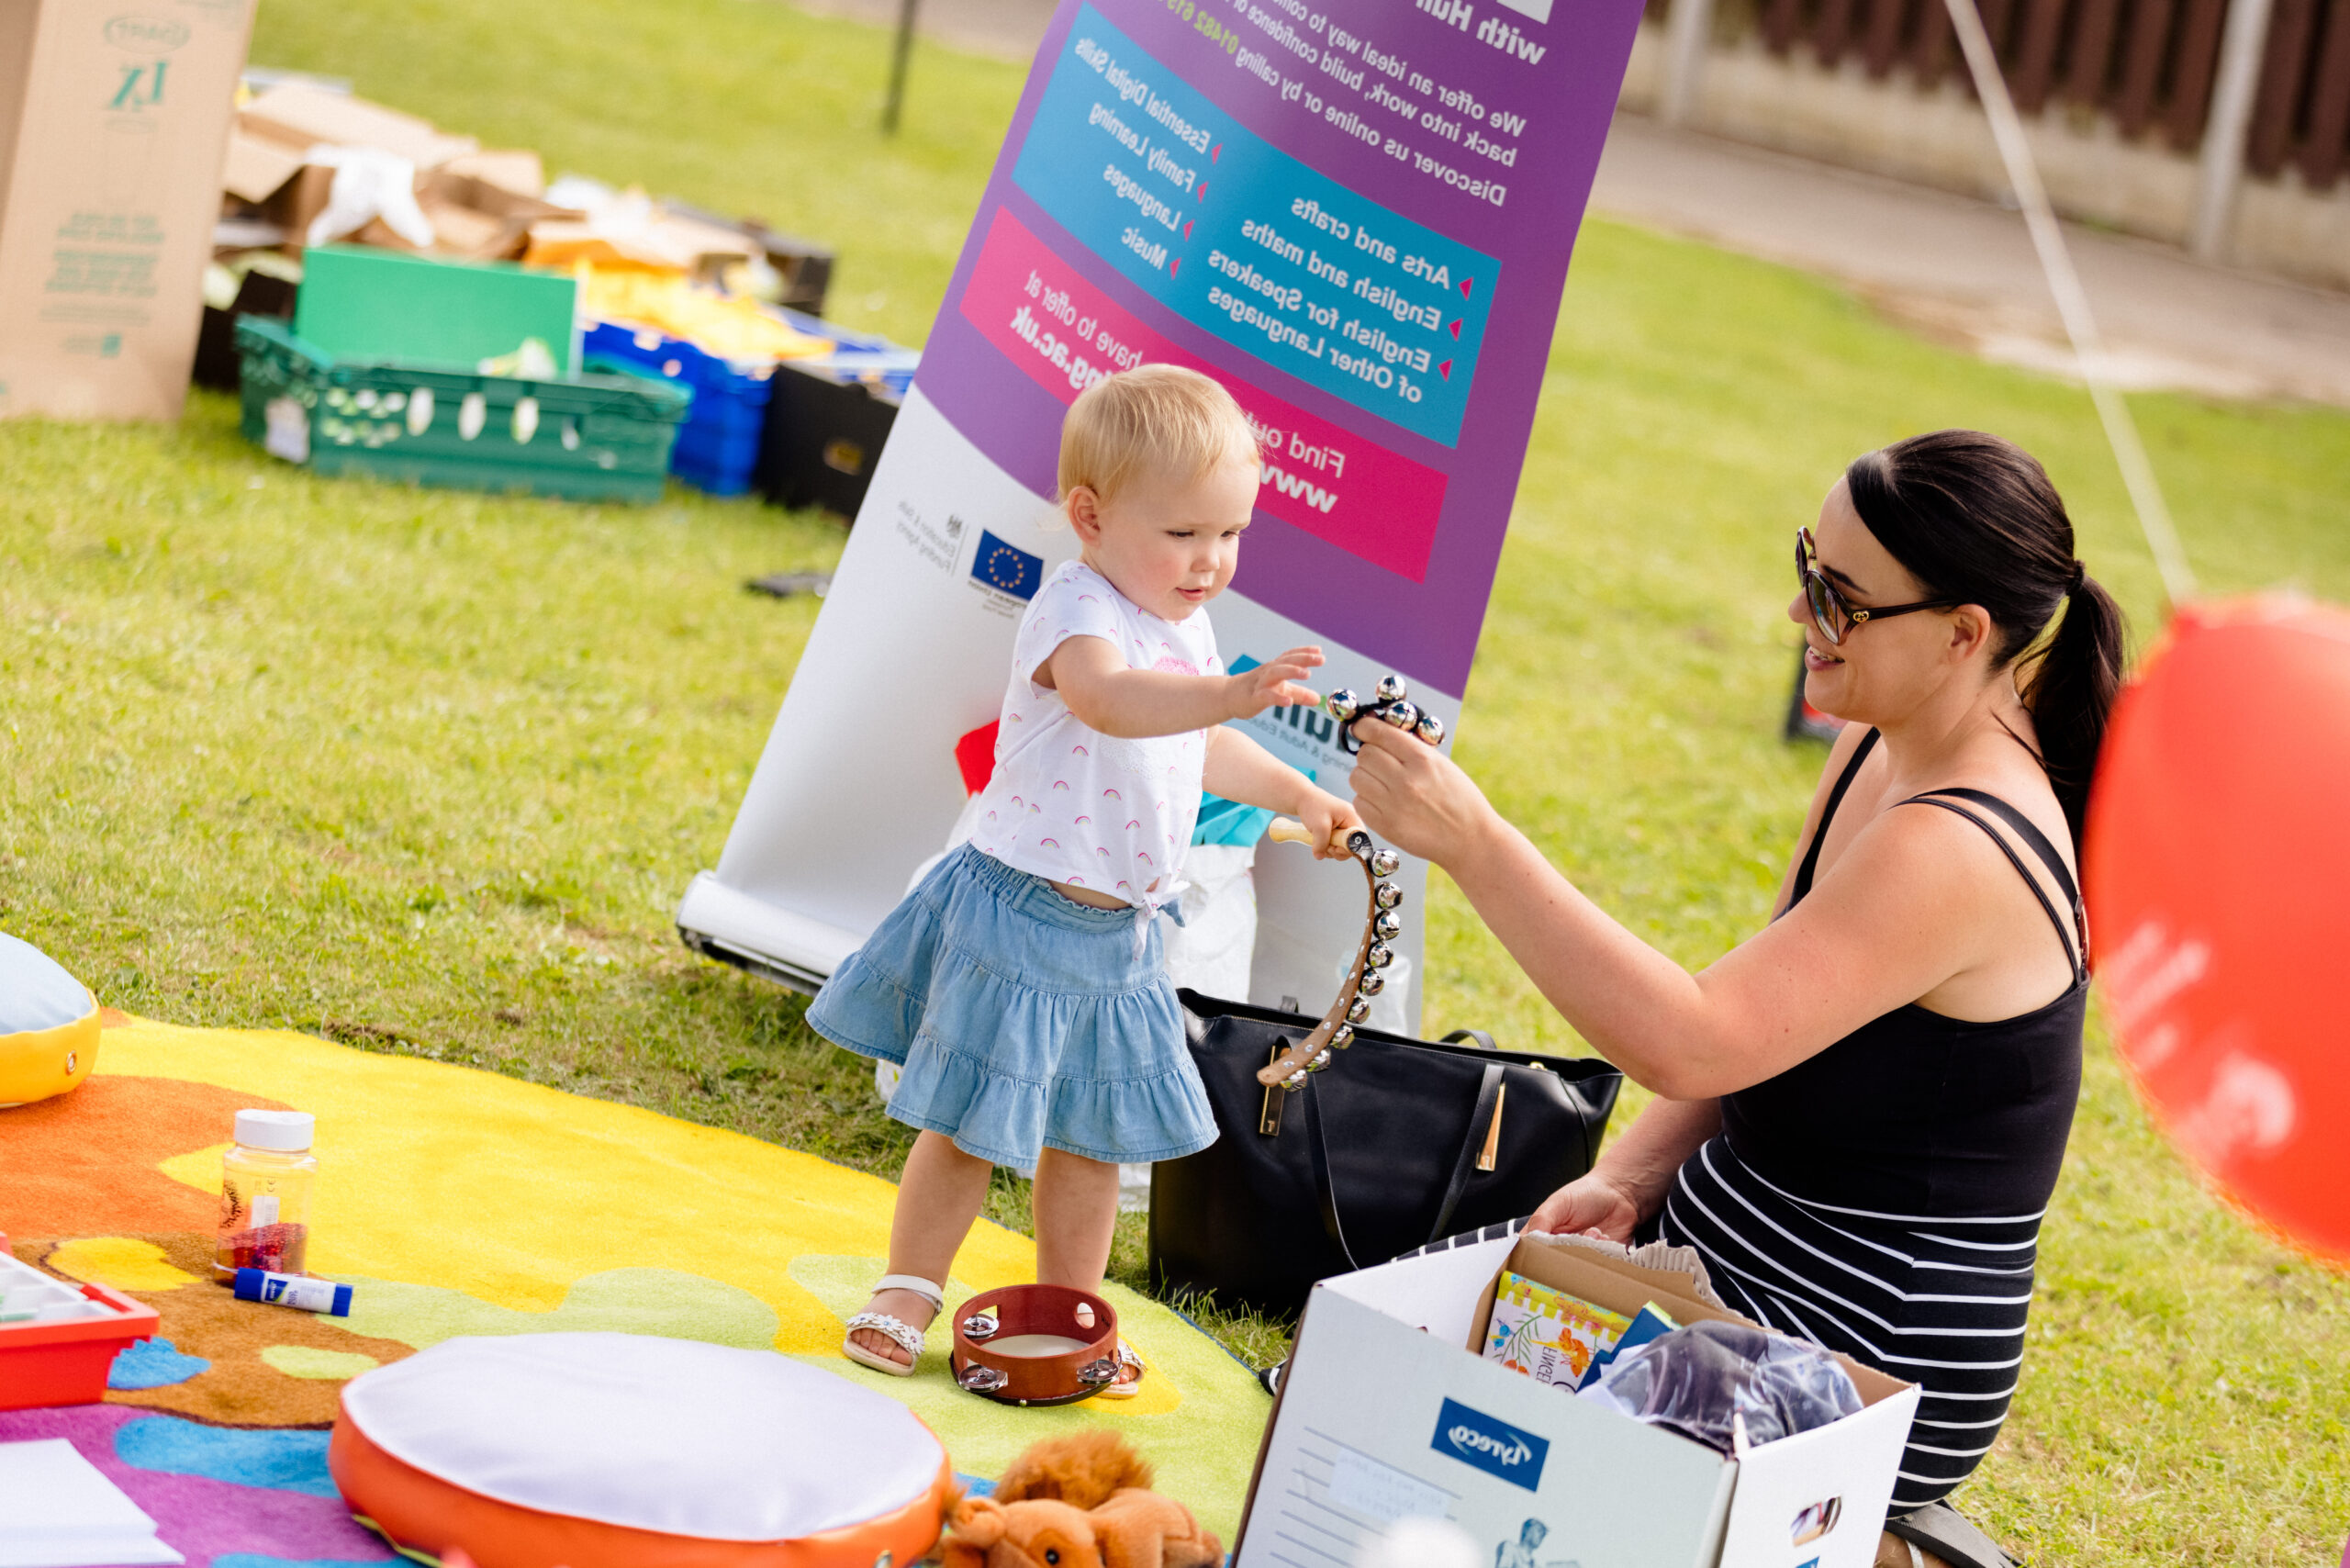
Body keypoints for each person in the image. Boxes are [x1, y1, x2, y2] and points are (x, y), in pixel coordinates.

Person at [1347, 431, 2122, 1568]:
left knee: (1530, 1506)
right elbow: (1765, 999)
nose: (1800, 616)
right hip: (1727, 1246)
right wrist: (1628, 1174)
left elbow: (1691, 1039)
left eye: (1841, 599)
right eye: (1809, 568)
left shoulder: (1962, 845)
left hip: (1869, 1334)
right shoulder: (1877, 731)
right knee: (1390, 1411)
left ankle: (1876, 1542)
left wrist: (1472, 843)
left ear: (1962, 635)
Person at [811, 364, 1361, 1389]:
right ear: (1090, 515)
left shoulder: (1181, 624)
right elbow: (1111, 702)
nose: (1211, 562)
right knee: (965, 1119)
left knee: (1092, 1141)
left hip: (1125, 936)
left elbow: (1195, 745)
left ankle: (1074, 1312)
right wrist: (1232, 694)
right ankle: (908, 1286)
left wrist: (1297, 792)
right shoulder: (1076, 606)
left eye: (1231, 534)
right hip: (1019, 911)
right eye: (1185, 533)